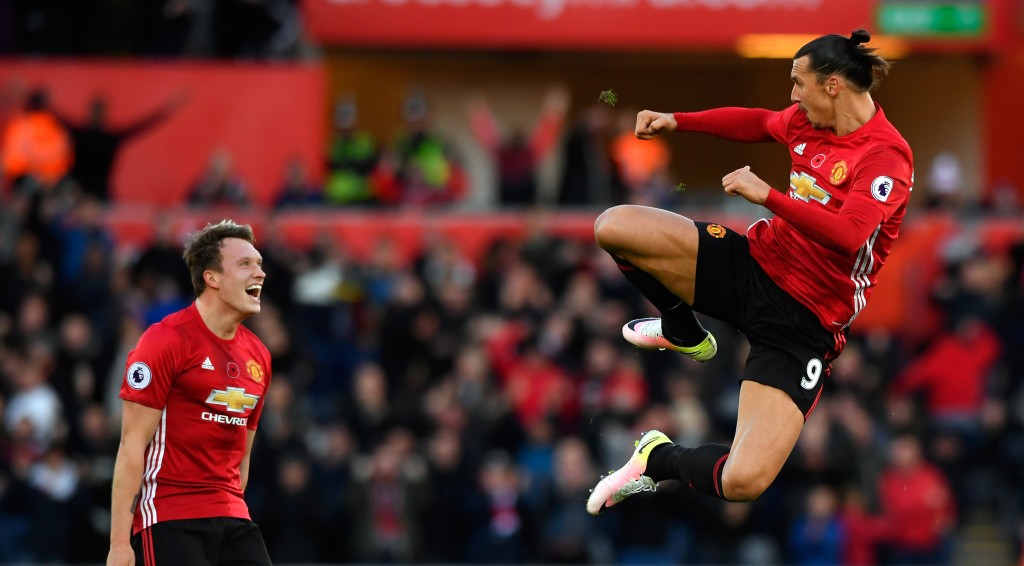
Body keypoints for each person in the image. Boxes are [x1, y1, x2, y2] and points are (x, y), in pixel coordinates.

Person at [586, 30, 913, 514]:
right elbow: (758, 122)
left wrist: (768, 196)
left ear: (833, 86)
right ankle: (680, 328)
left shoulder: (885, 156)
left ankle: (656, 461)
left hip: (805, 322)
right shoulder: (807, 121)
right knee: (612, 227)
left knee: (744, 480)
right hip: (755, 265)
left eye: (798, 83)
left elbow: (849, 235)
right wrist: (678, 120)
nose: (792, 95)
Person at [107, 220, 273, 565]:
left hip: (234, 517)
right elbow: (131, 446)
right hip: (170, 515)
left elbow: (242, 460)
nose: (260, 273)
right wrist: (119, 544)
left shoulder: (259, 357)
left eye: (259, 263)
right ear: (211, 278)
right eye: (245, 264)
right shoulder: (165, 340)